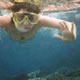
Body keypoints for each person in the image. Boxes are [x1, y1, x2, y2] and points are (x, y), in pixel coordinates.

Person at [0, 0, 76, 42]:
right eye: (20, 17)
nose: (25, 23)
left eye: (31, 18)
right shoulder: (7, 20)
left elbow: (69, 25)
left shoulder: (40, 20)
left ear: (37, 17)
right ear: (13, 16)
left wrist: (72, 36)